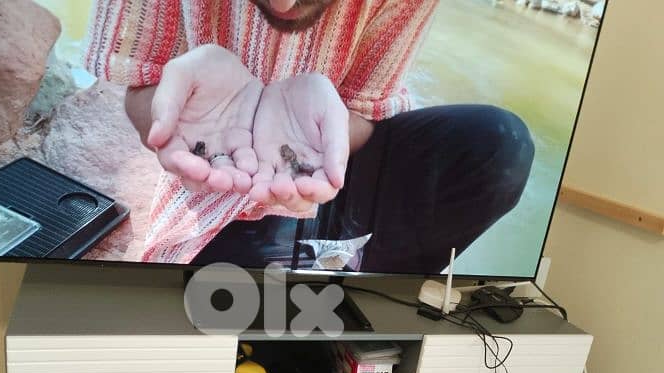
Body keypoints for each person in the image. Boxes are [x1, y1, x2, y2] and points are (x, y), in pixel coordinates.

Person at [85, 0, 534, 273]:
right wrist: (174, 113)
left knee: (496, 145)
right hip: (228, 201)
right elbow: (141, 80)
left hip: (330, 165)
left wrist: (332, 117)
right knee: (227, 301)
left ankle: (364, 286)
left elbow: (366, 113)